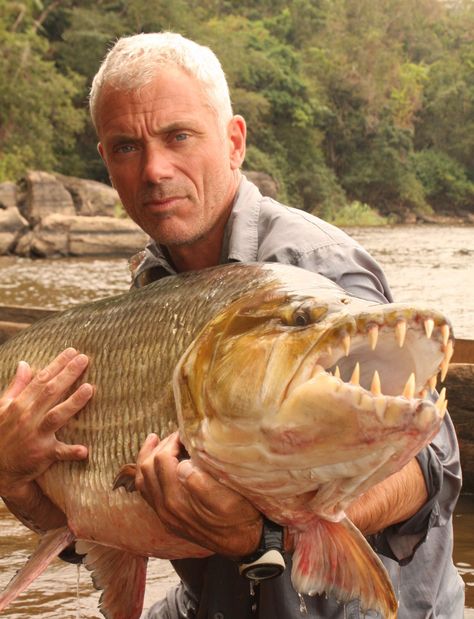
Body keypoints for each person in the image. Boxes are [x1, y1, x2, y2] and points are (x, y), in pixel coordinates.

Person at [0, 32, 463, 619]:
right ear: (106, 163)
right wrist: (13, 478)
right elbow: (101, 518)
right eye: (125, 147)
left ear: (234, 142)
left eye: (178, 136)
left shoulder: (315, 268)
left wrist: (269, 534)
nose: (154, 170)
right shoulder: (151, 287)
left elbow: (431, 461)